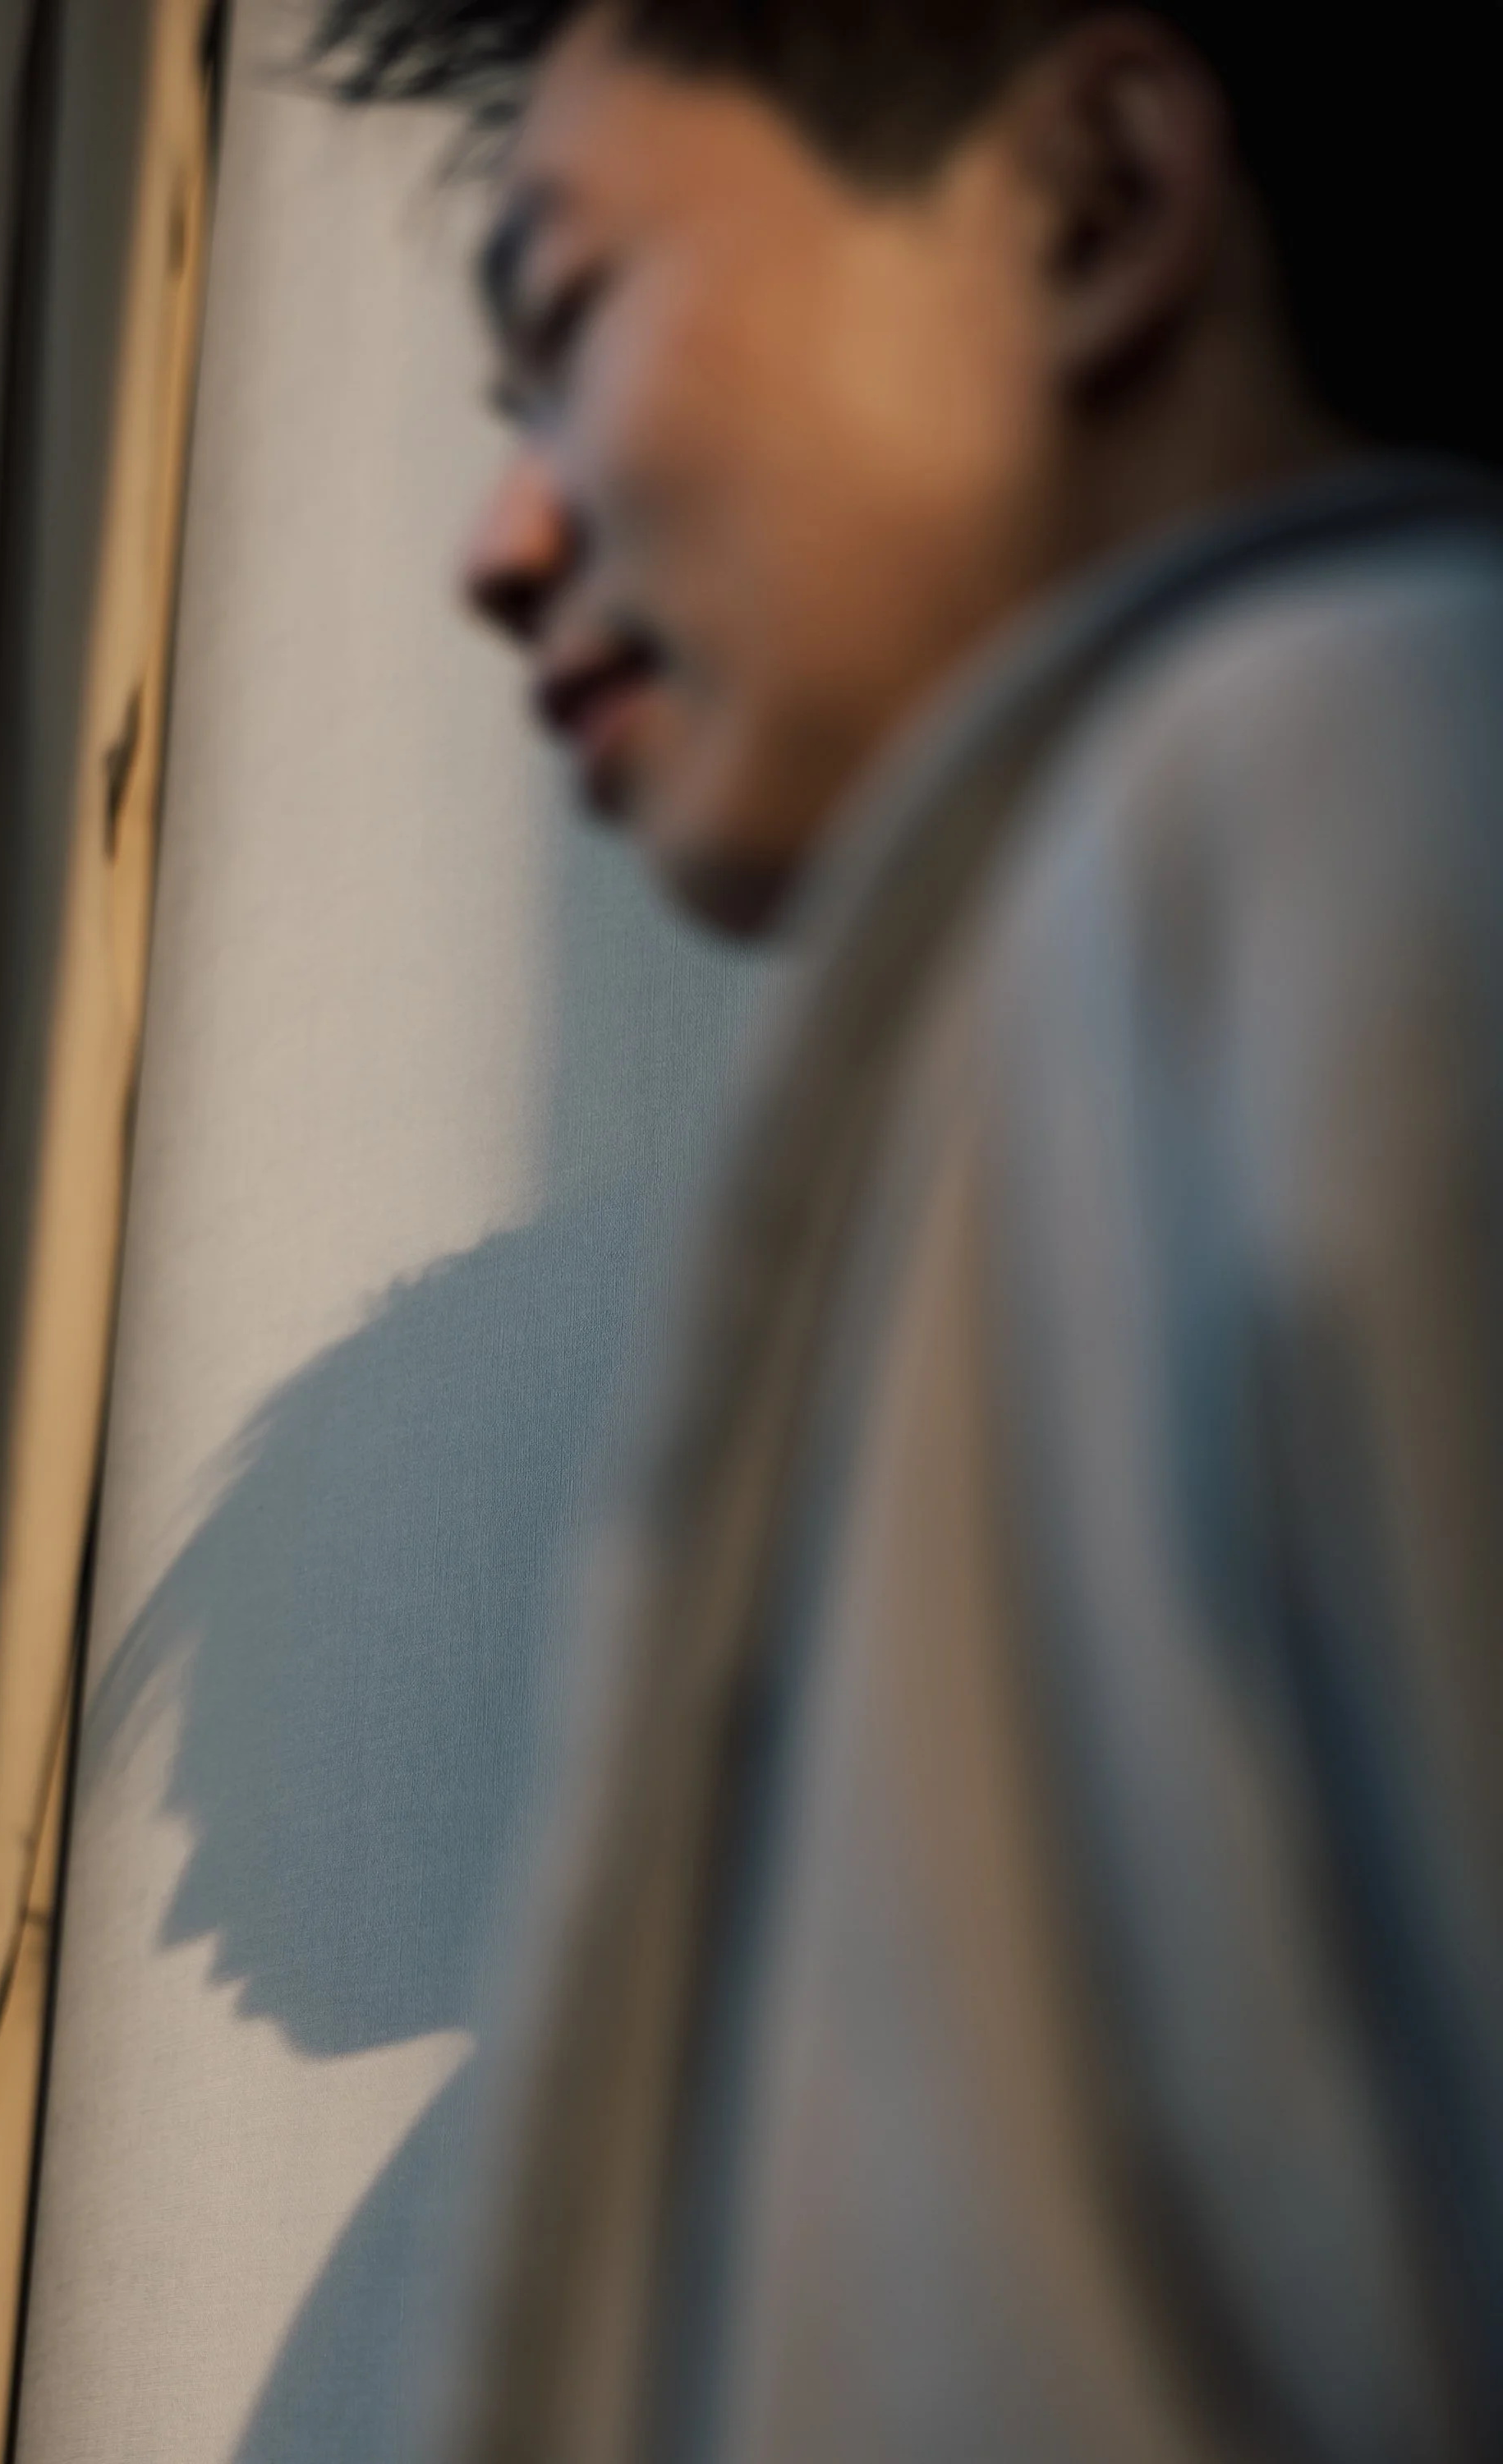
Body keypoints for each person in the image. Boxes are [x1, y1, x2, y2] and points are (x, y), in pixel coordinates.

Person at [313, 5, 1503, 2459]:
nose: (502, 541)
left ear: (1094, 201)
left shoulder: (1352, 784)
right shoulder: (1120, 939)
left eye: (574, 322)